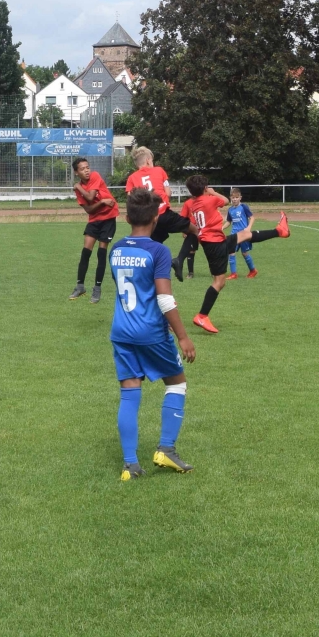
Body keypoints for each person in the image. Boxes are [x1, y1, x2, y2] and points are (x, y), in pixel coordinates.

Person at [109, 188, 199, 479]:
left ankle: (130, 465)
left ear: (127, 218)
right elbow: (163, 298)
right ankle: (166, 449)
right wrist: (183, 336)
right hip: (150, 332)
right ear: (156, 219)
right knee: (177, 383)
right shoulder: (158, 251)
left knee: (129, 393)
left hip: (121, 331)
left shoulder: (117, 249)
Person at [181, 175, 289, 334]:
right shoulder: (209, 200)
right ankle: (202, 316)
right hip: (215, 244)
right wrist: (212, 192)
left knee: (245, 234)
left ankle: (280, 231)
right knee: (219, 282)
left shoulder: (191, 203)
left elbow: (185, 220)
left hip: (213, 242)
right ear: (205, 188)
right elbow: (225, 200)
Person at [69, 156, 119, 304]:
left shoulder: (95, 176)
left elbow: (90, 198)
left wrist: (79, 187)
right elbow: (89, 210)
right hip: (94, 220)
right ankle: (80, 286)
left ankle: (97, 289)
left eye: (87, 167)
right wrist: (102, 201)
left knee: (101, 253)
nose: (86, 171)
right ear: (76, 172)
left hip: (108, 218)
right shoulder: (79, 190)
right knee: (86, 252)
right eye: (82, 169)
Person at [124, 147, 190, 259]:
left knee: (151, 246)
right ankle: (179, 260)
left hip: (148, 217)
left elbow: (131, 200)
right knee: (194, 230)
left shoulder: (131, 178)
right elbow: (168, 193)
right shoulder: (159, 170)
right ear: (148, 160)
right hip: (164, 213)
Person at [227, 187, 258, 278]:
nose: (235, 199)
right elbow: (229, 222)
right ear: (230, 198)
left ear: (240, 197)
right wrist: (221, 228)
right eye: (233, 197)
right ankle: (233, 274)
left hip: (244, 235)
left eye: (236, 197)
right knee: (231, 252)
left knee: (244, 253)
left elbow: (252, 218)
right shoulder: (230, 209)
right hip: (234, 235)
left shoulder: (244, 207)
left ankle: (253, 270)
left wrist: (248, 228)